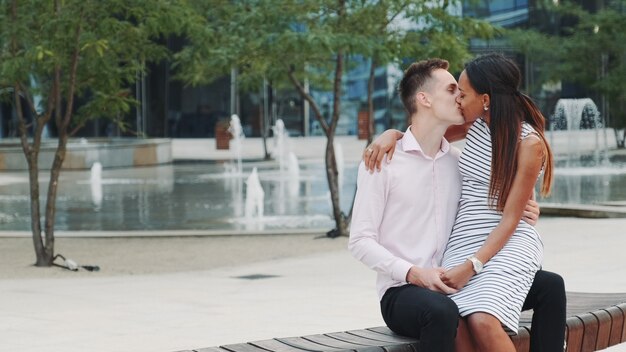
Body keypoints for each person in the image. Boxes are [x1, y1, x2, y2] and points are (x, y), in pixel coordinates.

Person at [363, 53, 565, 351]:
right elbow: (421, 135)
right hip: (465, 241)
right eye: (454, 90)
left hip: (504, 241)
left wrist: (472, 266)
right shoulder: (475, 126)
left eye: (463, 93)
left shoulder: (529, 144)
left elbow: (511, 218)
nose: (458, 98)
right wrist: (389, 134)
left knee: (483, 320)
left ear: (485, 99)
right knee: (459, 320)